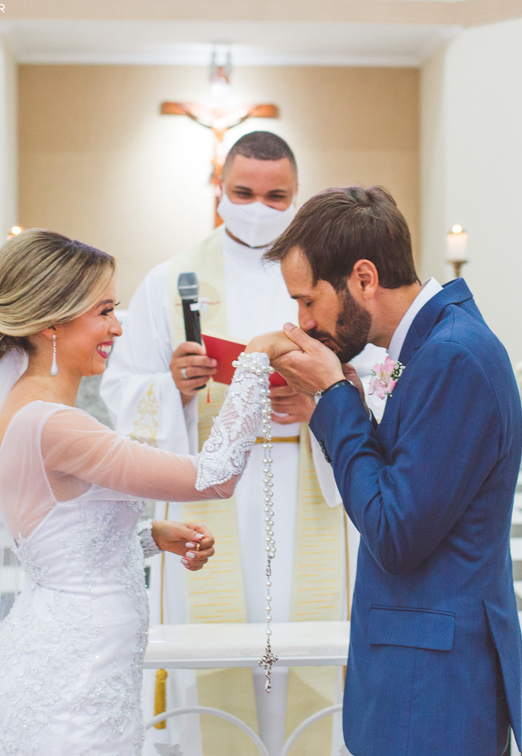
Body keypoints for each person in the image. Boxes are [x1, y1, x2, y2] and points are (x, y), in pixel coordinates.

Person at [0, 229, 294, 756]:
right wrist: (253, 362)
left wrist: (148, 536)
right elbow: (214, 476)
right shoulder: (55, 425)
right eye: (104, 311)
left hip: (70, 665)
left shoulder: (26, 408)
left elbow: (59, 539)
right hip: (72, 684)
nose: (116, 328)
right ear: (52, 322)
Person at [101, 131, 375, 755]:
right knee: (218, 640)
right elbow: (121, 385)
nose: (259, 206)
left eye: (277, 195)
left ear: (297, 194)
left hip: (306, 476)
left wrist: (321, 399)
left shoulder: (327, 277)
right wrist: (176, 386)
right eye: (243, 192)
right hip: (210, 486)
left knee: (304, 640)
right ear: (219, 191)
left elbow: (376, 371)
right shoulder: (172, 279)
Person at [266, 186, 522, 756]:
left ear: (363, 278)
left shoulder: (451, 356)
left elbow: (395, 533)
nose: (304, 324)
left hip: (433, 689)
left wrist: (334, 398)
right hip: (421, 668)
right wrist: (350, 403)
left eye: (308, 301)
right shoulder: (425, 347)